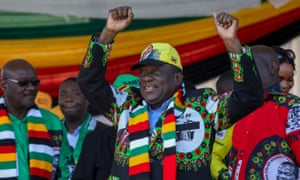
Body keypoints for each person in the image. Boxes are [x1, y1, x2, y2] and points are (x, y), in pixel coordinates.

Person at [77, 6, 264, 179]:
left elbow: (248, 97)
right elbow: (89, 82)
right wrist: (108, 33)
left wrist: (232, 42)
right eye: (143, 73)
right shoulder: (127, 105)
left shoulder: (202, 105)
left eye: (155, 72)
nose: (146, 78)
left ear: (177, 78)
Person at [210, 46, 299, 180]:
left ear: (273, 67)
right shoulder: (240, 110)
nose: (286, 85)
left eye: (289, 79)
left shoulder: (292, 107)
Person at [0, 59, 62, 180]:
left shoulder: (52, 121)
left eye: (35, 82)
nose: (31, 88)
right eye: (23, 83)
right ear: (4, 85)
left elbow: (63, 168)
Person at [56, 77, 99, 180]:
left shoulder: (102, 132)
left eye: (76, 94)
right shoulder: (52, 132)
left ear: (87, 100)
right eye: (63, 94)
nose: (68, 99)